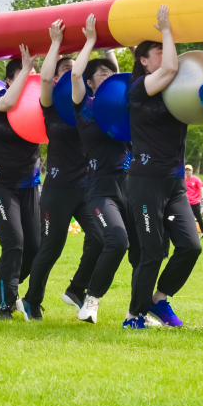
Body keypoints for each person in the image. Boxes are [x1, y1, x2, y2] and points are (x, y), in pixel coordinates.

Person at [122, 5, 202, 330]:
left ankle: (158, 299)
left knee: (191, 247)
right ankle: (134, 315)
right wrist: (166, 29)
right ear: (143, 60)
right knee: (153, 251)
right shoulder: (138, 88)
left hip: (175, 182)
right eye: (159, 50)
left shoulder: (177, 89)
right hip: (146, 182)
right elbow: (169, 68)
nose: (169, 55)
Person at [20, 22, 98, 321]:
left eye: (75, 67)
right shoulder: (50, 105)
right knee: (51, 248)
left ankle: (77, 289)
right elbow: (44, 79)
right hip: (58, 189)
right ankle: (31, 301)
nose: (71, 70)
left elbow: (111, 79)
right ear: (55, 76)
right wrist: (55, 43)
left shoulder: (88, 105)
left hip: (87, 187)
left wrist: (100, 45)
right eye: (65, 68)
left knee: (102, 239)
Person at [64, 16, 136, 325]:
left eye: (111, 73)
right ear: (91, 82)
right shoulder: (84, 106)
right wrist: (92, 40)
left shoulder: (123, 106)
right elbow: (76, 73)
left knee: (145, 249)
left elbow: (125, 79)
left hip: (131, 185)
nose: (109, 77)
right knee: (117, 241)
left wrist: (119, 48)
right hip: (101, 188)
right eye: (102, 74)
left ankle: (139, 310)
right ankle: (90, 301)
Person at [0, 46, 42, 320]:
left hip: (28, 182)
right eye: (23, 74)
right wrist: (28, 64)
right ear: (8, 80)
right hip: (0, 183)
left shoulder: (40, 101)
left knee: (35, 246)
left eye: (33, 73)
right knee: (14, 242)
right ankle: (4, 304)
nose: (31, 78)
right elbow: (8, 104)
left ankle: (12, 287)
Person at [184, 165, 203, 232]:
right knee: (186, 218)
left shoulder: (196, 179)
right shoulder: (183, 180)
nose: (187, 172)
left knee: (198, 217)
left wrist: (202, 198)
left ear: (192, 171)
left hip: (195, 202)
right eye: (186, 170)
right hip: (186, 202)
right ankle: (188, 231)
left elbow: (201, 189)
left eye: (189, 170)